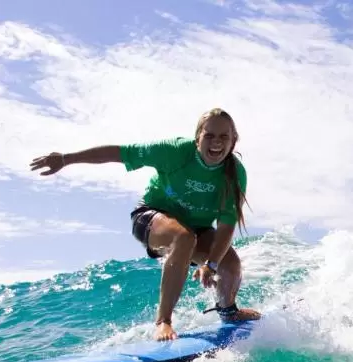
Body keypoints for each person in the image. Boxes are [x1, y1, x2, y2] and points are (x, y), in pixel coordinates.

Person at [28, 107, 262, 341]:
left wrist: (210, 264)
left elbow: (226, 226)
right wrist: (66, 159)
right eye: (209, 135)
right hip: (151, 218)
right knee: (183, 237)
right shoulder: (174, 151)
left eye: (224, 137)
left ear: (233, 141)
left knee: (230, 265)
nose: (216, 143)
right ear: (197, 137)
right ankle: (163, 322)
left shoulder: (235, 173)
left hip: (198, 228)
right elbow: (121, 153)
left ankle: (228, 312)